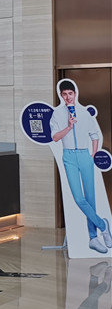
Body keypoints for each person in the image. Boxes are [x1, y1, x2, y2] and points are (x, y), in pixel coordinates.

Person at [50, 79, 112, 254]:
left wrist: (92, 154)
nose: (68, 97)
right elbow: (55, 137)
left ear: (75, 94)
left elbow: (94, 135)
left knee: (90, 198)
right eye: (64, 94)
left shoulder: (84, 113)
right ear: (61, 95)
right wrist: (69, 127)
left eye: (70, 93)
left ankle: (93, 238)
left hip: (85, 155)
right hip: (69, 156)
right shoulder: (57, 114)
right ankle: (103, 225)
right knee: (78, 198)